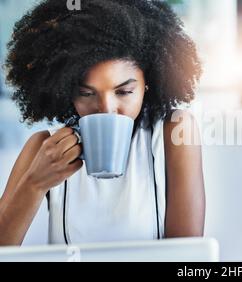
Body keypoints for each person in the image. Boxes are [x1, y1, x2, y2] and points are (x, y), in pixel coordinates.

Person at [0, 0, 205, 246]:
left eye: (124, 91)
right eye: (87, 93)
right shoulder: (45, 147)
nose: (107, 109)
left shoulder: (175, 132)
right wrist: (34, 183)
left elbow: (188, 256)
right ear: (66, 90)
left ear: (147, 83)